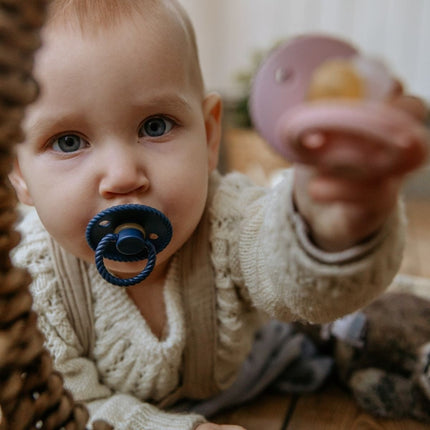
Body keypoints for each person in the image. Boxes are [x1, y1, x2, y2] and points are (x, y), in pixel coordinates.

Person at [8, 0, 428, 429]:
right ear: (18, 171)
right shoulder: (27, 282)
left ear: (209, 135)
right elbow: (62, 408)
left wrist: (329, 228)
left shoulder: (225, 221)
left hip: (268, 360)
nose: (121, 176)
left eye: (155, 126)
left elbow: (289, 272)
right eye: (67, 142)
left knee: (362, 324)